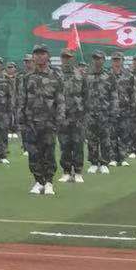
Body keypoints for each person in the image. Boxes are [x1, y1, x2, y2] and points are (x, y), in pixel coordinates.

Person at [20, 44, 64, 194]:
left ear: (48, 56)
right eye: (36, 54)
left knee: (48, 152)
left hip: (49, 122)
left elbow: (60, 100)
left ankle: (49, 181)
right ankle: (38, 181)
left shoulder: (55, 76)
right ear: (33, 57)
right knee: (33, 153)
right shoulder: (27, 77)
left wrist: (59, 119)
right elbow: (22, 99)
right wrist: (21, 120)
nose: (39, 56)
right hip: (31, 122)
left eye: (42, 53)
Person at [56, 50, 87, 182]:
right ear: (61, 59)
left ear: (72, 59)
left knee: (78, 144)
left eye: (68, 57)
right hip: (62, 116)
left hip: (77, 116)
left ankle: (78, 172)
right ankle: (66, 171)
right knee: (64, 145)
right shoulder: (56, 74)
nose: (66, 60)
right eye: (64, 57)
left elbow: (86, 94)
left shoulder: (80, 75)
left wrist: (84, 113)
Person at [84, 51, 116, 175]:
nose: (97, 61)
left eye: (99, 59)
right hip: (90, 113)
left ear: (103, 60)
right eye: (95, 59)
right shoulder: (87, 75)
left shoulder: (109, 76)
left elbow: (114, 95)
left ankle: (104, 163)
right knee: (92, 139)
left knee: (105, 139)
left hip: (105, 112)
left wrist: (113, 111)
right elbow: (82, 94)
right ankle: (93, 163)